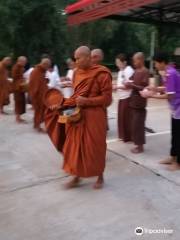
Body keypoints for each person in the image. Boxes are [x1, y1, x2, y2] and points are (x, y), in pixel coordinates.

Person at [45, 46, 112, 189]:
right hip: (77, 115)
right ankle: (76, 175)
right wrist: (61, 104)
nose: (75, 61)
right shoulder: (76, 73)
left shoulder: (102, 73)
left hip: (95, 116)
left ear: (88, 57)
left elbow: (107, 100)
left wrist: (88, 101)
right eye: (75, 58)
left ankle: (100, 176)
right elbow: (76, 97)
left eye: (78, 58)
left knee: (96, 147)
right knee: (73, 146)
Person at [151, 52, 180, 171]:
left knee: (178, 136)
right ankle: (172, 157)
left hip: (179, 109)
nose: (155, 66)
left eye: (156, 63)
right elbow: (169, 88)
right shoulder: (169, 72)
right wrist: (156, 88)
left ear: (162, 62)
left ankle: (177, 163)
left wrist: (151, 96)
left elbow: (170, 96)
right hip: (175, 109)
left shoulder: (171, 73)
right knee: (174, 135)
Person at [125, 52, 149, 153]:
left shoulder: (145, 71)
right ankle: (137, 144)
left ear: (141, 60)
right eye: (133, 61)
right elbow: (131, 80)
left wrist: (132, 86)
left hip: (140, 103)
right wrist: (127, 83)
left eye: (135, 60)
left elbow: (144, 88)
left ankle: (140, 147)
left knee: (138, 125)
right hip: (133, 101)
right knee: (134, 125)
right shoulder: (136, 71)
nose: (134, 63)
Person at [114, 54, 134, 142]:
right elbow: (120, 84)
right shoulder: (120, 71)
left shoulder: (129, 70)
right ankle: (122, 136)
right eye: (116, 63)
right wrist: (115, 87)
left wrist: (117, 87)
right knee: (121, 117)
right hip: (121, 97)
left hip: (127, 97)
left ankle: (128, 137)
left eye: (118, 62)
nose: (117, 64)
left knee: (126, 118)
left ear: (124, 62)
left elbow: (130, 86)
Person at [29, 58, 51, 132]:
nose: (48, 68)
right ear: (44, 64)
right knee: (39, 110)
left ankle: (36, 125)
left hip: (42, 94)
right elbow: (35, 85)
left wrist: (46, 81)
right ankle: (38, 126)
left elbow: (41, 82)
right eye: (48, 66)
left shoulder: (41, 71)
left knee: (39, 111)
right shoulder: (36, 71)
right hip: (38, 95)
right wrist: (36, 95)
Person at [12, 56, 28, 123]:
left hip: (21, 87)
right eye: (24, 62)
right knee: (18, 102)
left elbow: (21, 76)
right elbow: (15, 77)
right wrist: (22, 82)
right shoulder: (16, 67)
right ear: (20, 61)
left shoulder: (20, 67)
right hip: (17, 87)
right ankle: (17, 118)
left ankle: (19, 117)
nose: (25, 63)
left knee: (21, 102)